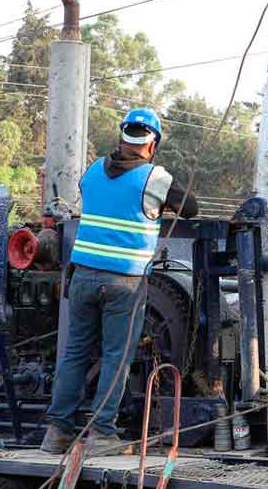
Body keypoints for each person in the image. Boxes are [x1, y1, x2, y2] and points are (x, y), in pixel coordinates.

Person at [42, 108, 199, 454]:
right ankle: (101, 435)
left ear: (121, 137)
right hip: (124, 283)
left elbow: (97, 197)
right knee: (116, 356)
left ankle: (56, 433)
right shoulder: (154, 177)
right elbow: (191, 207)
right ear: (152, 143)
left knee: (73, 354)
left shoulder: (94, 169)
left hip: (81, 276)